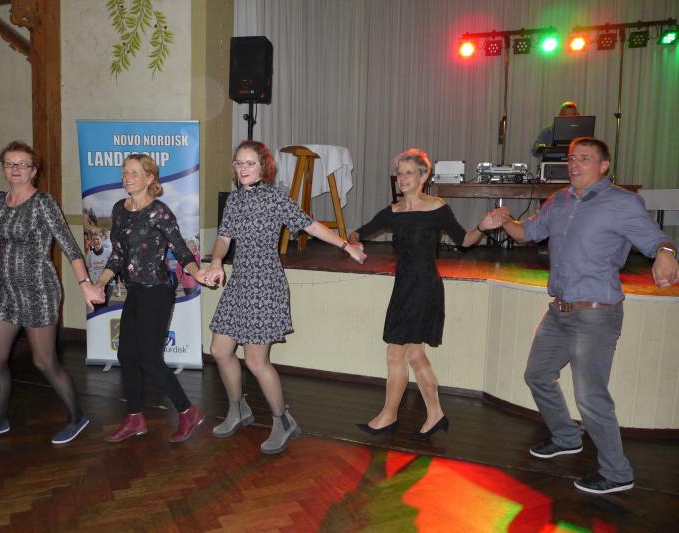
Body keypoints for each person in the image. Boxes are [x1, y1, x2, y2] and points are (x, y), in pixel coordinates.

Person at [498, 137, 678, 494]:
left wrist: (666, 253)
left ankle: (617, 473)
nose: (574, 164)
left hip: (596, 316)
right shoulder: (559, 201)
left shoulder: (622, 203)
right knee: (537, 375)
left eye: (584, 158)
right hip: (559, 311)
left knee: (590, 397)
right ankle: (566, 437)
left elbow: (657, 240)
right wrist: (504, 220)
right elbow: (527, 232)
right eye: (571, 158)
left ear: (604, 165)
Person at [205, 140, 367, 455]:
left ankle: (283, 421)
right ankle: (238, 409)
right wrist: (216, 261)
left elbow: (311, 225)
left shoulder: (275, 197)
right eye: (239, 163)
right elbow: (224, 237)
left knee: (255, 360)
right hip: (240, 282)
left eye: (250, 163)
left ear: (263, 167)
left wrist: (345, 246)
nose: (243, 168)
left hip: (266, 284)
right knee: (220, 350)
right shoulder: (235, 200)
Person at [348, 148, 505, 440]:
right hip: (403, 288)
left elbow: (465, 240)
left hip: (424, 287)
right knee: (414, 352)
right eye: (399, 173)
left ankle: (389, 416)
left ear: (424, 177)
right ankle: (435, 415)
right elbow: (359, 232)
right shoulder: (393, 212)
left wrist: (482, 227)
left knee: (397, 351)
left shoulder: (437, 208)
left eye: (409, 172)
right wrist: (353, 242)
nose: (402, 178)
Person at [0, 141, 104, 445]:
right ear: (3, 168)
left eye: (22, 164)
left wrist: (84, 284)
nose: (15, 169)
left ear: (33, 171)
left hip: (40, 291)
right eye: (9, 163)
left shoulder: (43, 202)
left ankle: (76, 416)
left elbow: (69, 245)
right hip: (8, 291)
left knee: (44, 361)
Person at [94, 154, 208, 444]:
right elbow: (117, 254)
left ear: (149, 178)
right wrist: (101, 281)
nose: (127, 177)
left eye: (134, 172)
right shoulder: (119, 210)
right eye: (124, 172)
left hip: (157, 290)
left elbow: (180, 249)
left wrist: (198, 274)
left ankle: (188, 412)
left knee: (149, 358)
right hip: (135, 290)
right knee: (126, 355)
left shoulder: (160, 212)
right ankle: (134, 418)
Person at [86, 232, 112, 307]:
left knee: (105, 303)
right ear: (91, 241)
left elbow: (113, 266)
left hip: (108, 282)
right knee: (97, 304)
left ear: (101, 240)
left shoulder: (108, 252)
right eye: (93, 239)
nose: (96, 241)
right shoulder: (90, 253)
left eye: (97, 239)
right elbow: (88, 266)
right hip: (96, 283)